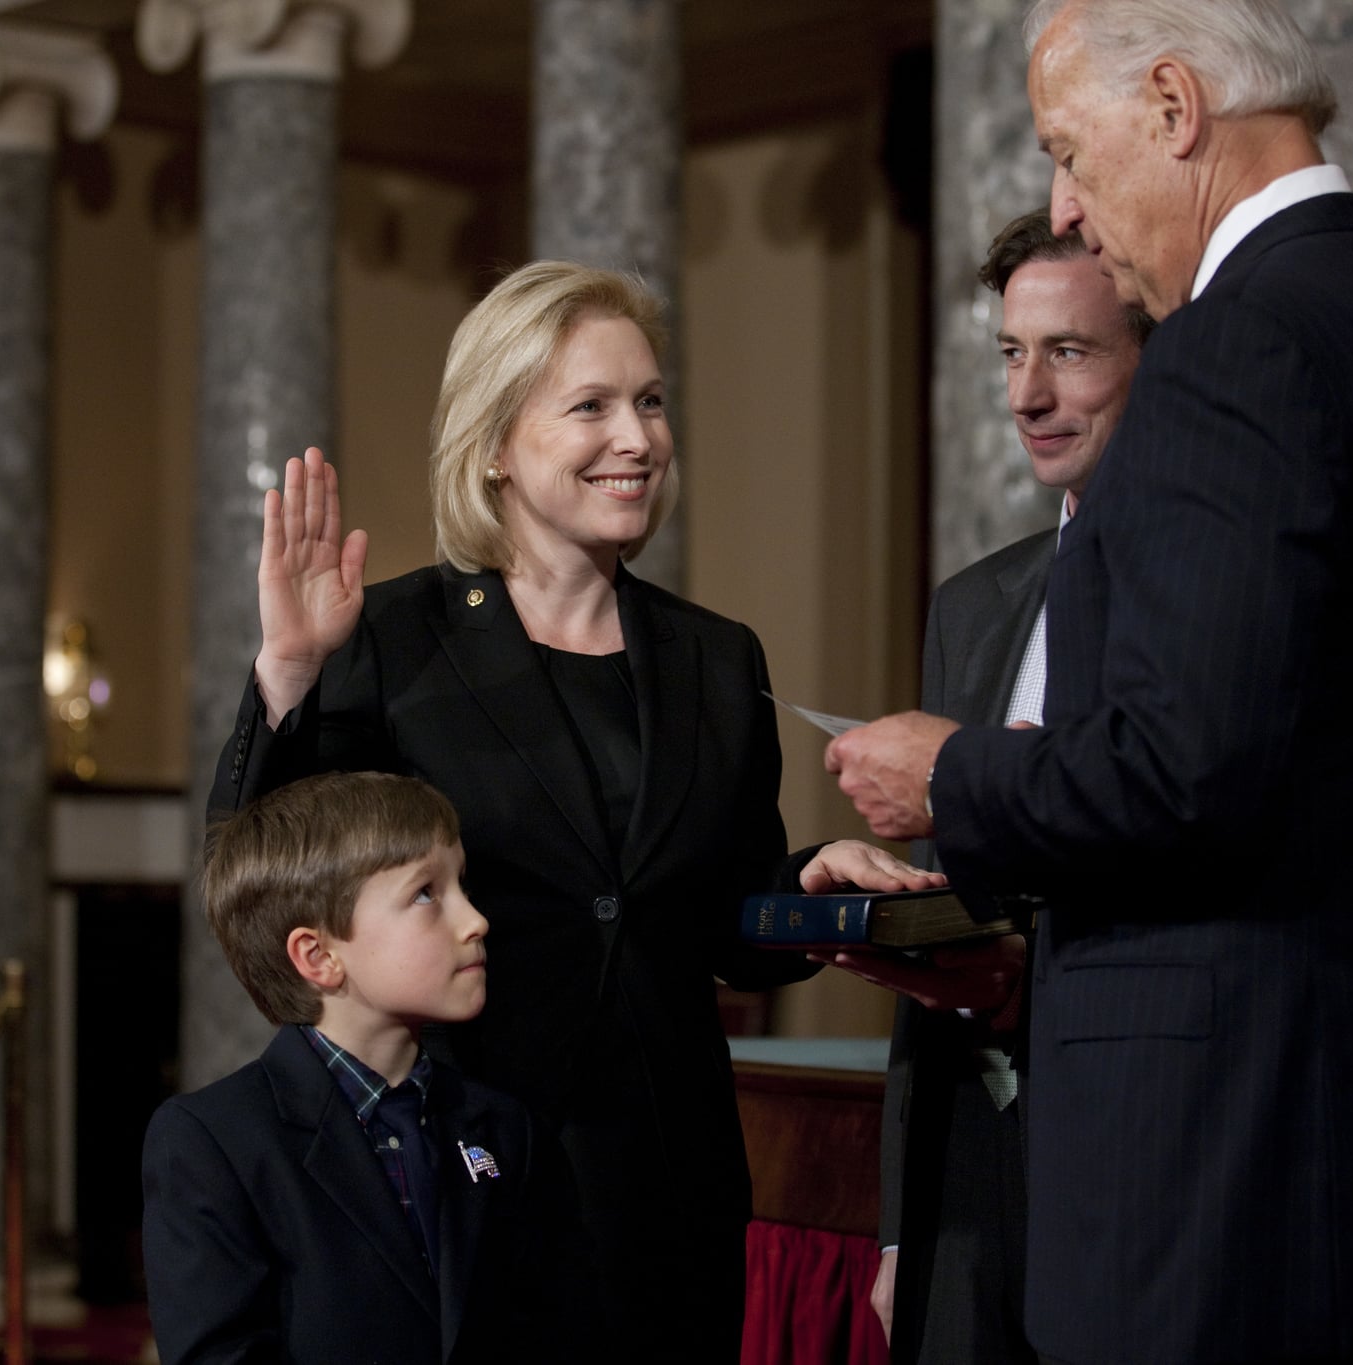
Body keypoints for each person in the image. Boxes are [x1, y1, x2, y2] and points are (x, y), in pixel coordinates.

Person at [825, 0, 1353, 1360]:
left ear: (1172, 106)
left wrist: (952, 771)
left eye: (1069, 151)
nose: (1067, 207)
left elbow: (1184, 770)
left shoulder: (1238, 345)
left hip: (1233, 1178)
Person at [208, 260, 940, 1359]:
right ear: (495, 442)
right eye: (590, 406)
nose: (636, 437)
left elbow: (723, 924)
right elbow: (271, 883)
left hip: (666, 1181)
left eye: (648, 401)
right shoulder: (393, 639)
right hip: (451, 1165)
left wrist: (809, 880)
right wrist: (288, 676)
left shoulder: (711, 655)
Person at [858, 209, 1151, 1365]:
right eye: (1008, 354)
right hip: (970, 1171)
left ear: (1154, 358)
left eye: (1067, 352)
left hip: (1136, 1151)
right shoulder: (974, 602)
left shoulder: (1195, 598)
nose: (1026, 395)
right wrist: (900, 1227)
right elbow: (942, 907)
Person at [141, 771, 595, 1364]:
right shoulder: (216, 1144)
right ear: (320, 956)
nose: (476, 920)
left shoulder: (510, 1132)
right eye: (426, 894)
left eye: (463, 884)